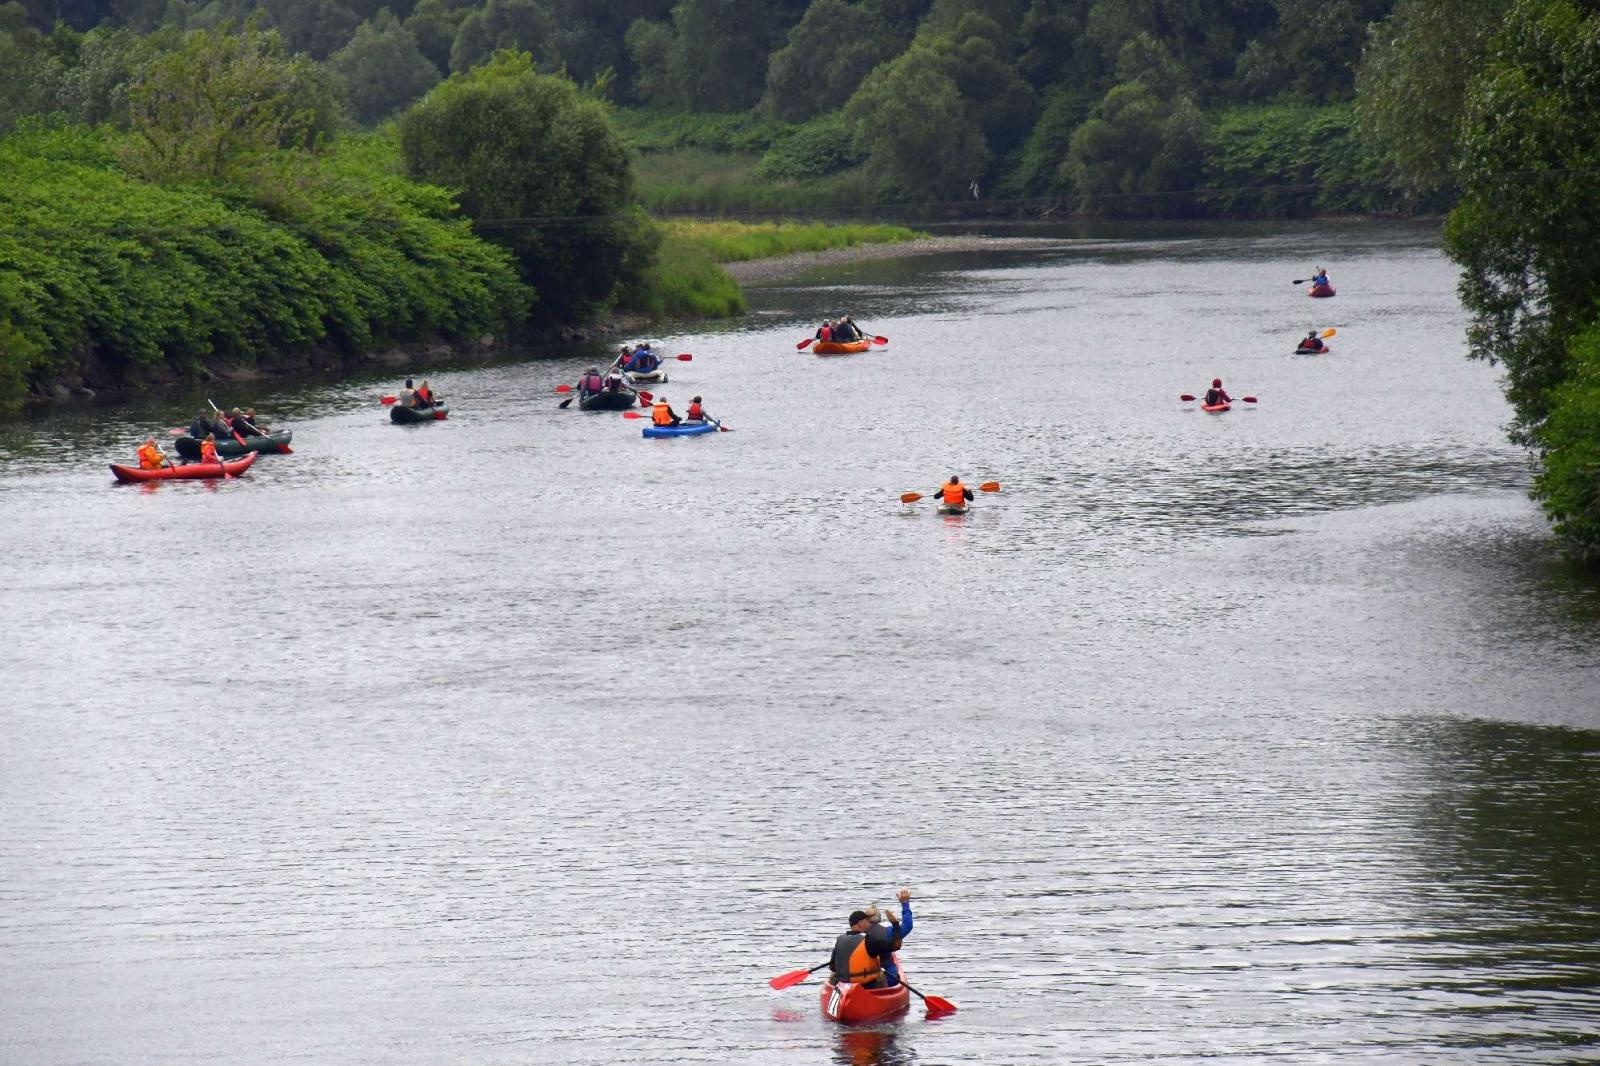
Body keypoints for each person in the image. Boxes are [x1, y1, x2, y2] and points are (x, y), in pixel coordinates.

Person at [830, 907, 897, 989]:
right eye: (867, 921)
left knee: (833, 975)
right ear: (860, 923)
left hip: (844, 984)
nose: (870, 924)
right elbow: (896, 946)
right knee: (881, 975)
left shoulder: (840, 940)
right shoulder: (869, 939)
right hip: (867, 985)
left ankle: (836, 995)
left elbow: (832, 967)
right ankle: (885, 996)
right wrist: (895, 924)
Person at [872, 889, 914, 988]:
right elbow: (908, 925)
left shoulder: (856, 936)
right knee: (891, 970)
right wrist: (905, 904)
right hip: (888, 978)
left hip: (862, 980)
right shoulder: (887, 933)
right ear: (879, 920)